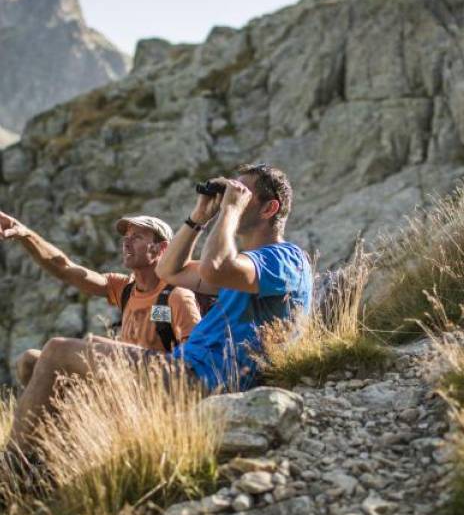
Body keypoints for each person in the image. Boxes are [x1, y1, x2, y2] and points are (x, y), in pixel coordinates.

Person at [0, 213, 201, 451]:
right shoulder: (124, 289)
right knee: (30, 361)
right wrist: (26, 234)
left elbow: (193, 363)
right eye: (126, 237)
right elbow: (65, 268)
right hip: (117, 387)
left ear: (161, 248)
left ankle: (14, 462)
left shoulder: (177, 296)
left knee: (57, 349)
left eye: (137, 237)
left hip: (151, 398)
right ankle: (49, 450)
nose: (126, 242)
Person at [155, 163, 313, 392]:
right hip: (185, 368)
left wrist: (230, 209)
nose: (233, 198)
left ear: (269, 209)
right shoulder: (242, 271)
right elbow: (169, 271)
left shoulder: (287, 259)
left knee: (86, 350)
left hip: (205, 377)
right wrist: (198, 217)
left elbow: (216, 267)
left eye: (243, 194)